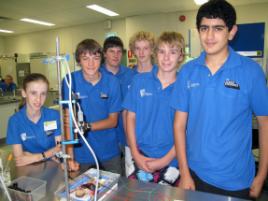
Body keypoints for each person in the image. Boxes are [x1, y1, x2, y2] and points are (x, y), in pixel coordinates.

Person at [170, 0, 268, 199]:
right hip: (195, 174)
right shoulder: (188, 72)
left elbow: (265, 124)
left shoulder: (251, 72)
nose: (209, 36)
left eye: (218, 28)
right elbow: (179, 126)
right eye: (204, 28)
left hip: (236, 180)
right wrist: (185, 172)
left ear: (232, 32)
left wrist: (262, 175)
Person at [123, 31, 185, 185]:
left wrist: (164, 160)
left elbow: (186, 130)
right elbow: (130, 117)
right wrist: (135, 154)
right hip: (141, 155)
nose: (166, 57)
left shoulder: (185, 87)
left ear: (181, 56)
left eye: (173, 52)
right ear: (156, 54)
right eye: (162, 51)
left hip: (172, 159)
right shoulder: (139, 81)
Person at [62, 39, 122, 174]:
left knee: (115, 191)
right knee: (84, 192)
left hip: (109, 152)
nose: (91, 64)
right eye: (85, 58)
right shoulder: (70, 81)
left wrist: (86, 126)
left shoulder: (112, 82)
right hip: (82, 153)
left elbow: (113, 121)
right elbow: (68, 121)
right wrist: (70, 156)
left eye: (95, 58)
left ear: (101, 59)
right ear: (78, 60)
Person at [6, 73, 61, 166]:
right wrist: (47, 155)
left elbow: (59, 149)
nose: (38, 99)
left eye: (43, 94)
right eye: (33, 93)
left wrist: (30, 156)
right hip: (29, 170)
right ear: (24, 93)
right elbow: (19, 160)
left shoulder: (53, 116)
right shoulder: (15, 121)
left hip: (53, 167)